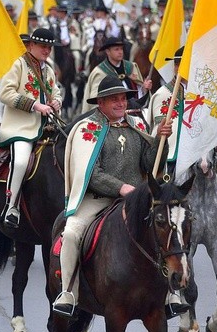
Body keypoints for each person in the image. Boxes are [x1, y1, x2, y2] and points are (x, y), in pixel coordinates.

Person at [52, 75, 172, 317]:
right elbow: (91, 173)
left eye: (123, 98)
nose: (120, 103)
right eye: (114, 99)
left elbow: (150, 164)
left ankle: (172, 292)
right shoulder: (86, 130)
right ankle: (67, 291)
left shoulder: (137, 125)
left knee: (169, 228)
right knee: (72, 233)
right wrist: (121, 188)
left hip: (137, 200)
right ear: (101, 103)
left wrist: (161, 140)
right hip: (97, 200)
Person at [144, 47, 217, 233]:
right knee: (160, 176)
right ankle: (156, 214)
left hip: (204, 144)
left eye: (185, 64)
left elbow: (213, 118)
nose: (180, 68)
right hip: (175, 149)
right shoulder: (164, 94)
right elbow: (158, 126)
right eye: (178, 64)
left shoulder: (204, 93)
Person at [0, 28, 62, 227]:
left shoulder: (48, 69)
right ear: (31, 45)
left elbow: (56, 91)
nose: (47, 50)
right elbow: (5, 93)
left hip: (48, 127)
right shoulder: (17, 64)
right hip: (21, 128)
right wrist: (34, 105)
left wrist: (57, 102)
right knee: (21, 161)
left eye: (49, 47)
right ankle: (12, 207)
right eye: (43, 46)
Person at [81, 37, 152, 113]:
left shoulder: (131, 67)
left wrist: (145, 89)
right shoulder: (100, 72)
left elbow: (140, 93)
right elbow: (96, 101)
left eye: (121, 49)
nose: (120, 52)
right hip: (112, 116)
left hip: (134, 112)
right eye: (116, 49)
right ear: (108, 51)